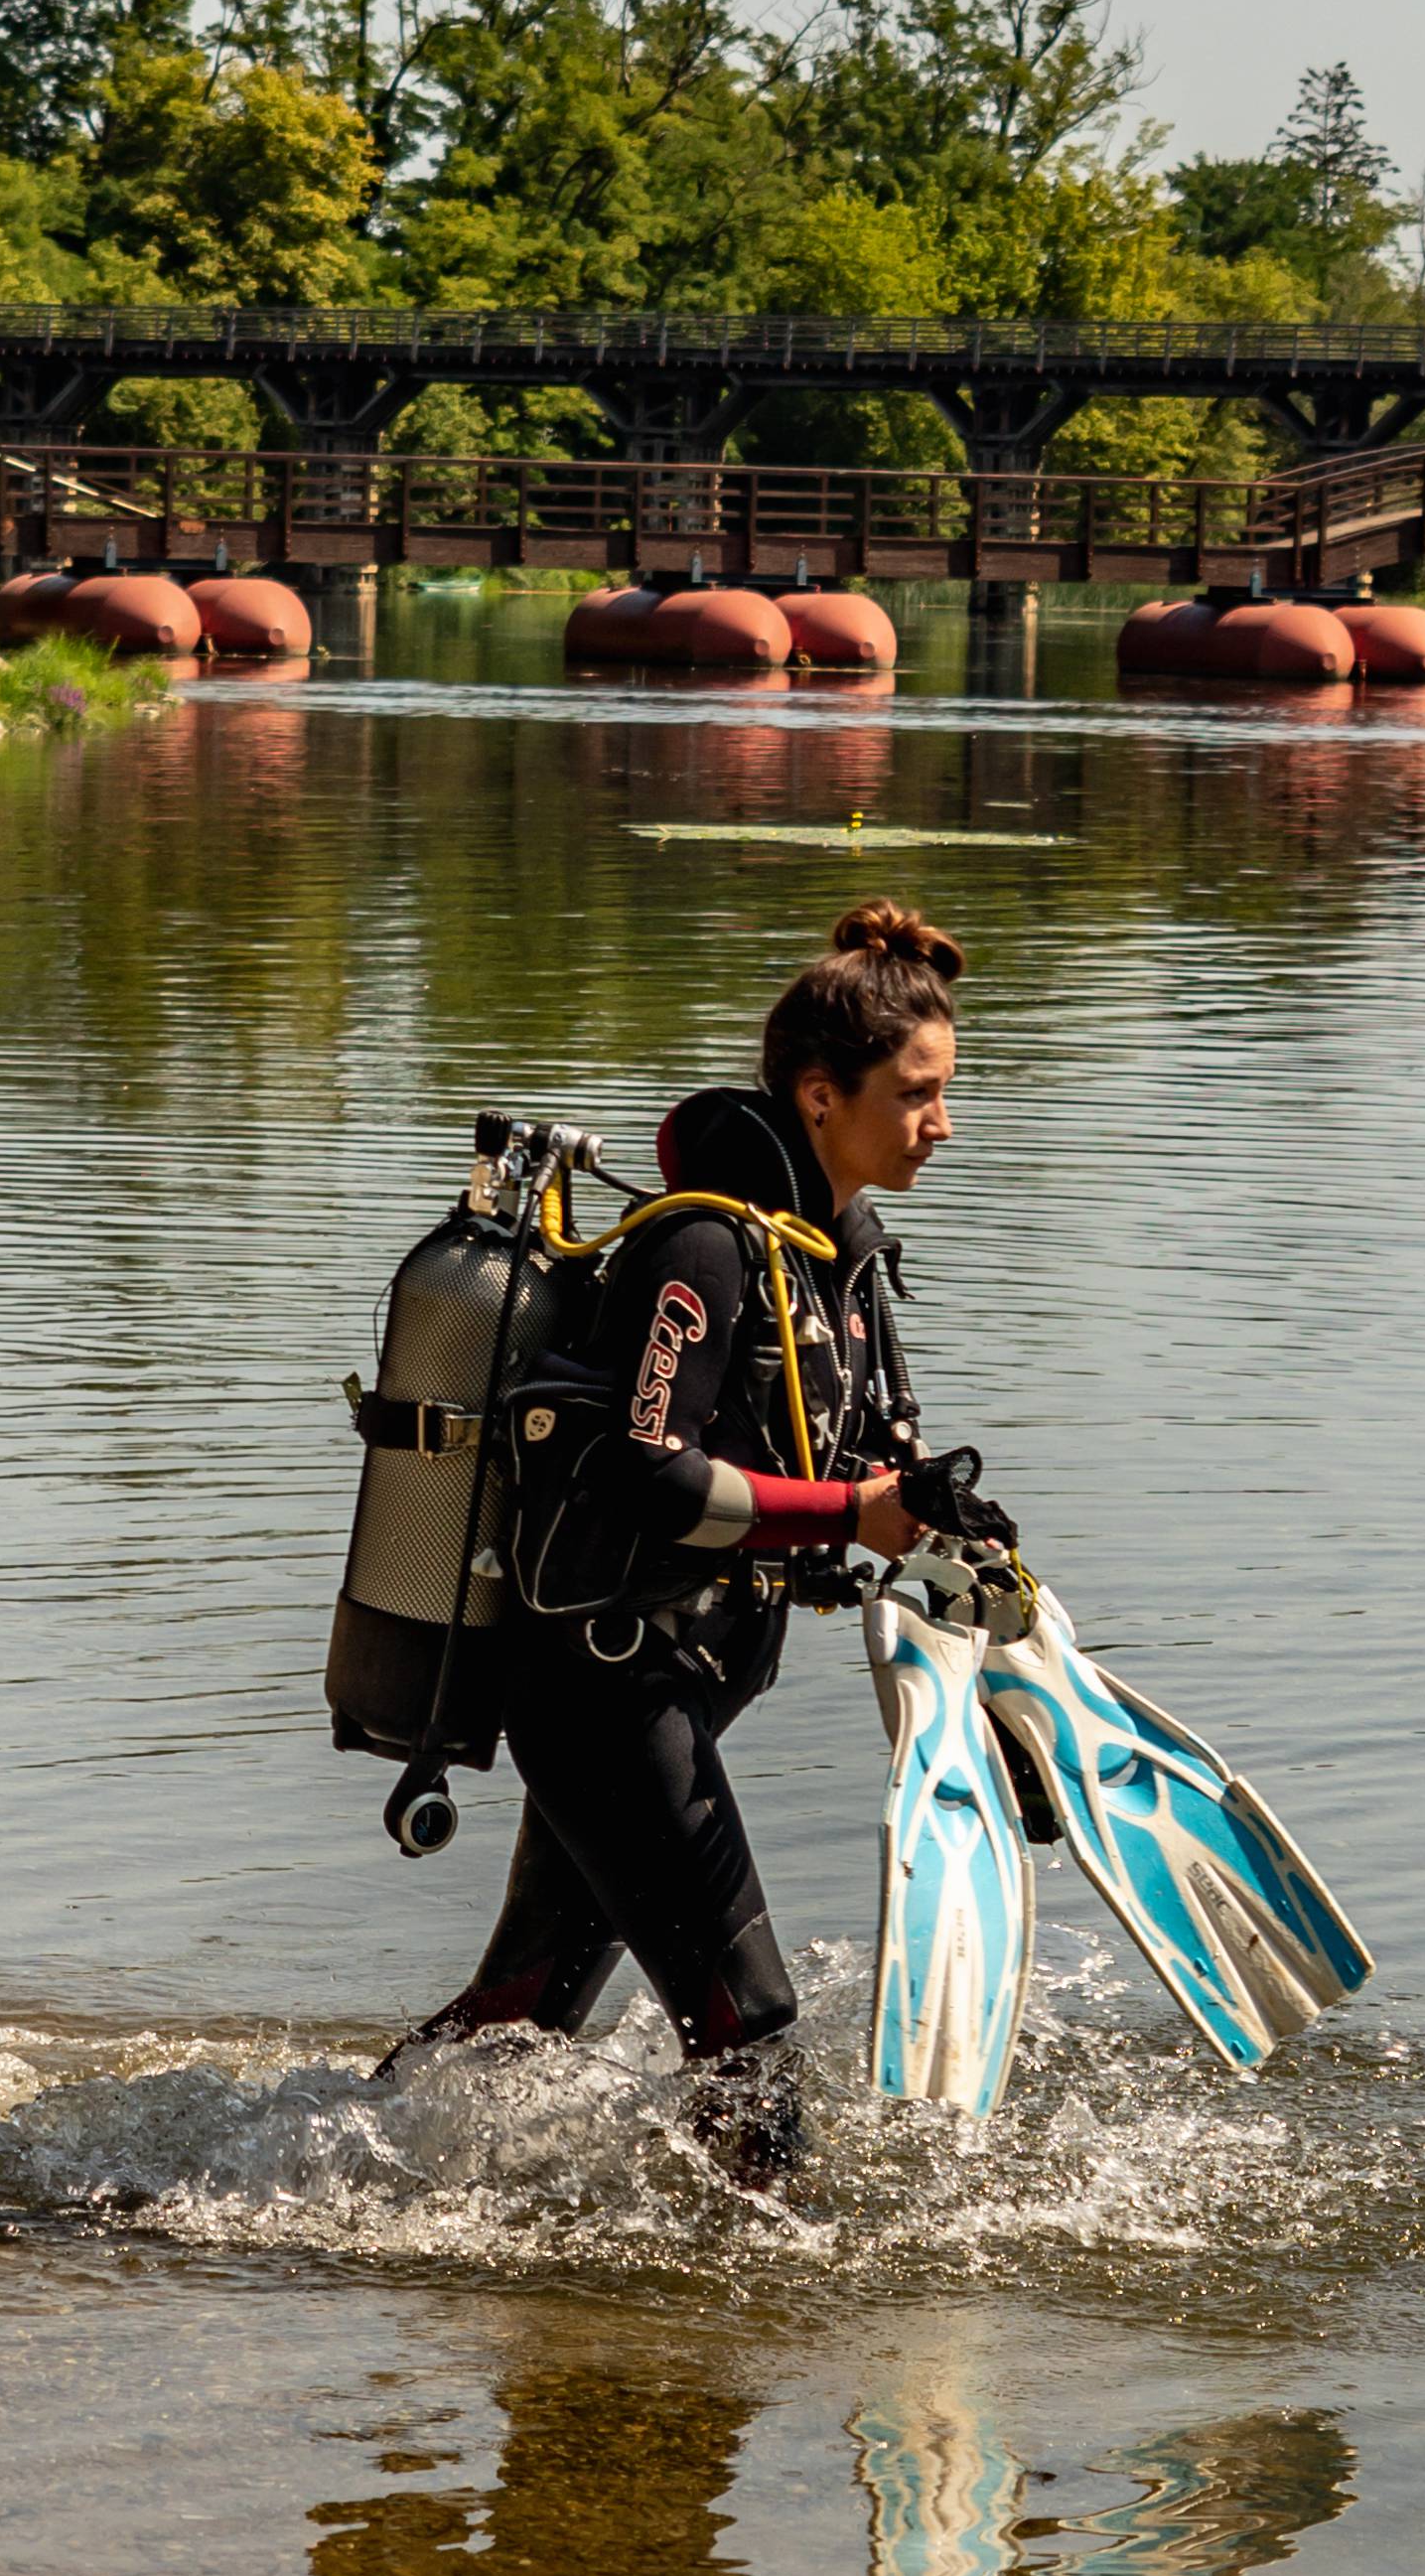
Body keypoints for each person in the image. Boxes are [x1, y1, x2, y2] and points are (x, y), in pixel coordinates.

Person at [387, 898, 1010, 2126]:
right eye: (916, 1093)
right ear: (822, 1096)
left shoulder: (843, 1260)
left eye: (945, 1091)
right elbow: (644, 1472)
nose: (942, 1124)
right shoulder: (706, 1253)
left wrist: (944, 1522)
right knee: (752, 2029)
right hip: (605, 1688)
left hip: (677, 1683)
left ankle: (308, 2177)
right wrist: (849, 1515)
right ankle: (757, 2300)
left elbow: (873, 1458)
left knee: (523, 2007)